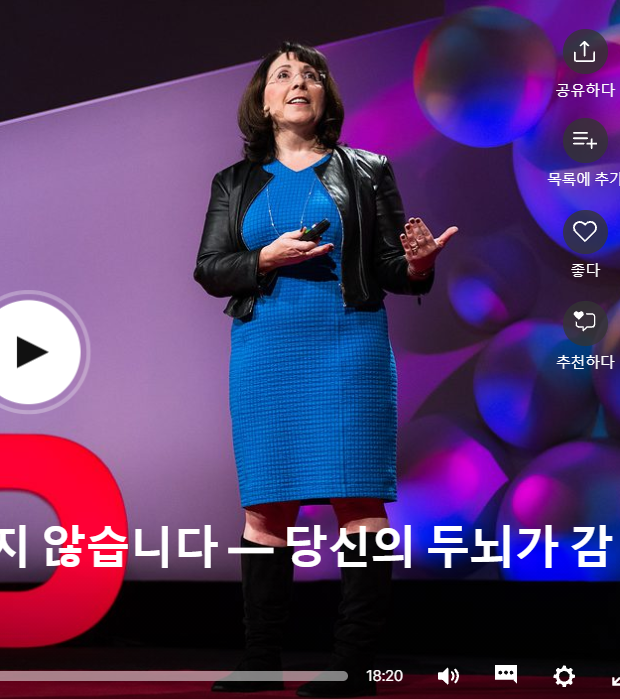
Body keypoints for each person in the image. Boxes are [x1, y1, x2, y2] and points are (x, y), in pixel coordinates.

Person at [194, 42, 458, 697]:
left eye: (310, 75)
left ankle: (353, 664)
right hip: (265, 351)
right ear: (262, 101)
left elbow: (393, 269)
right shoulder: (233, 182)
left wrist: (419, 264)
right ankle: (261, 660)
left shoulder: (368, 170)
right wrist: (265, 258)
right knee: (265, 506)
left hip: (348, 347)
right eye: (283, 74)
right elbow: (210, 268)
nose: (299, 82)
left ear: (325, 97)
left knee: (358, 500)